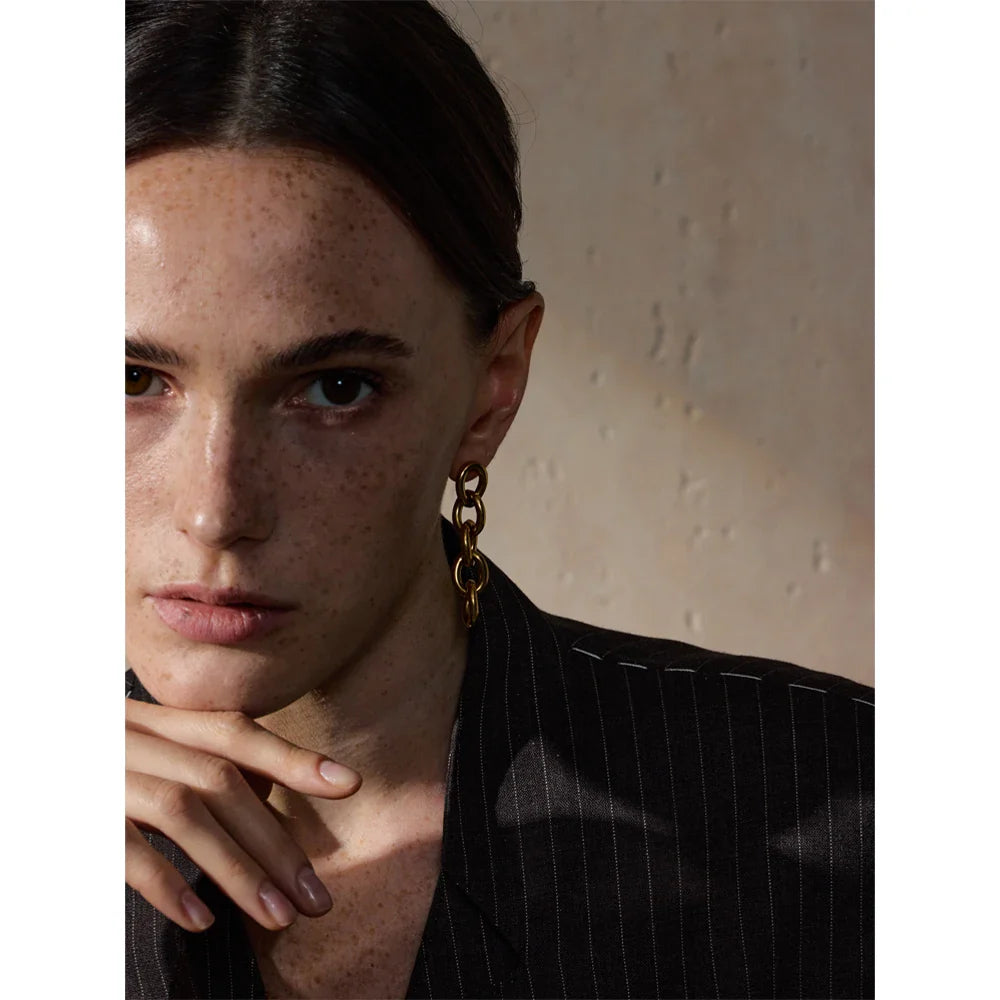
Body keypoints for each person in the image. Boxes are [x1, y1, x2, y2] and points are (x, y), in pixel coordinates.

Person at [125, 2, 874, 998]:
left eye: (335, 388)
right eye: (129, 379)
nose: (217, 511)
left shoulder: (862, 812)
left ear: (492, 385)